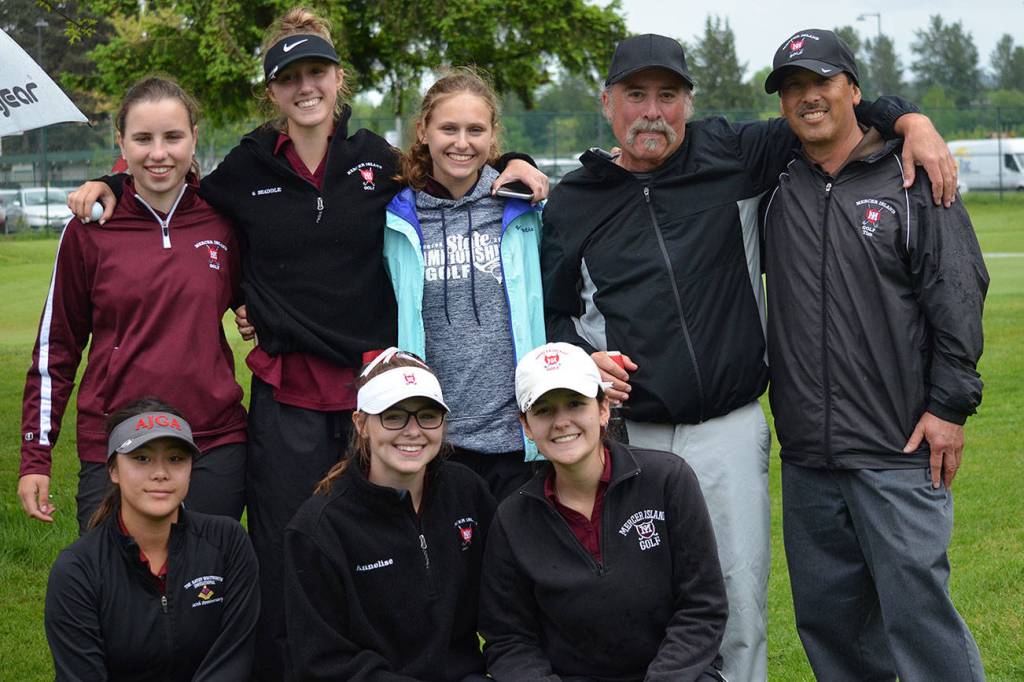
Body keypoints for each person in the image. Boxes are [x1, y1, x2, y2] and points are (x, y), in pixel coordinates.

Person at [66, 10, 545, 678]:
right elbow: (175, 183)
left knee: (381, 544)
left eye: (315, 72)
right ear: (273, 91)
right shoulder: (248, 168)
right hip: (287, 396)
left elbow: (448, 170)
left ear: (337, 79)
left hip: (374, 396)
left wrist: (510, 159)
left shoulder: (375, 161)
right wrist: (115, 183)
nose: (305, 87)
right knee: (288, 547)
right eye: (289, 77)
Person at [540, 33, 958, 682]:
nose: (653, 111)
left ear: (689, 102)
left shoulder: (732, 153)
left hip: (729, 430)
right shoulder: (573, 202)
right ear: (607, 102)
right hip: (630, 438)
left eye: (668, 95)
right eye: (636, 95)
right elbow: (552, 309)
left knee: (737, 605)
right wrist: (578, 359)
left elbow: (830, 108)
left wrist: (914, 120)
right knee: (638, 604)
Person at [760, 29, 988, 681]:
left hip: (898, 449)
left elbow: (957, 292)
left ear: (853, 90)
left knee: (921, 625)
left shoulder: (910, 177)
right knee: (833, 632)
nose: (807, 98)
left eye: (821, 82)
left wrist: (950, 407)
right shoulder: (777, 183)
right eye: (793, 87)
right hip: (807, 459)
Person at [19, 77, 248, 532]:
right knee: (116, 593)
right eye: (143, 138)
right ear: (121, 140)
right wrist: (35, 456)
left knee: (202, 592)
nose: (158, 153)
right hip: (116, 443)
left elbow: (260, 296)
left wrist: (255, 312)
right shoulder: (88, 231)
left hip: (212, 442)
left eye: (172, 137)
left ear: (194, 138)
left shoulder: (223, 222)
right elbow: (56, 351)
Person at [479, 342, 727, 681]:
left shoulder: (668, 480)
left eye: (576, 404)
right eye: (544, 410)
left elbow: (702, 607)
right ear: (526, 426)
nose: (562, 422)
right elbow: (508, 640)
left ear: (603, 409)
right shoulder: (512, 519)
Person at [284, 348, 495, 680]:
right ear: (361, 424)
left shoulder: (467, 492)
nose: (413, 431)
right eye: (393, 416)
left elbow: (507, 607)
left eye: (428, 415)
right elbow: (322, 662)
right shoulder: (319, 528)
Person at [385, 68, 546, 500]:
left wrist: (519, 164)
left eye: (475, 129)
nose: (462, 142)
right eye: (448, 128)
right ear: (423, 131)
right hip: (435, 440)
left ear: (493, 135)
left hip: (518, 440)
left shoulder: (524, 207)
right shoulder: (394, 217)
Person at [44, 398, 259, 680]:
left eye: (175, 459)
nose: (160, 473)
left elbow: (233, 659)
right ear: (113, 470)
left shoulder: (228, 543)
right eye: (142, 458)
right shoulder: (77, 571)